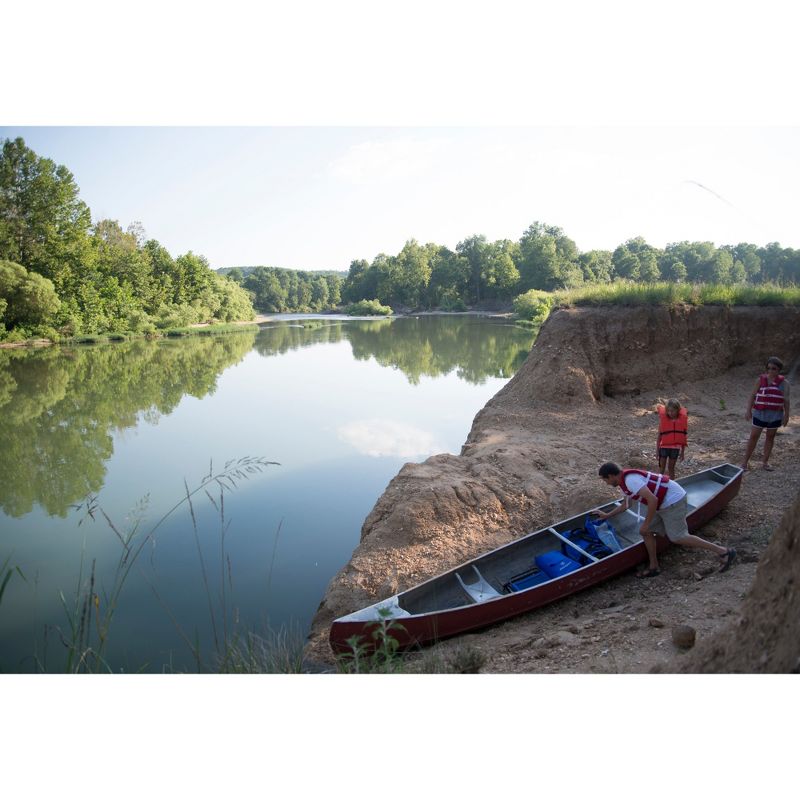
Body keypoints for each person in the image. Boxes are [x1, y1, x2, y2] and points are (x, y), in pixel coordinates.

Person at [594, 462, 736, 578]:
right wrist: (607, 515)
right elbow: (627, 505)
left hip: (674, 500)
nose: (606, 483)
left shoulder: (631, 480)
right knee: (645, 531)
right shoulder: (623, 483)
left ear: (611, 476)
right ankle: (654, 567)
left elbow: (652, 500)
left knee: (678, 536)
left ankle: (724, 551)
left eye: (605, 480)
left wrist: (646, 523)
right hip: (662, 503)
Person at [741, 356, 791, 471]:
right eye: (768, 368)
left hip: (775, 415)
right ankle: (744, 463)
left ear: (779, 370)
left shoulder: (785, 383)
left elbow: (786, 401)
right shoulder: (760, 380)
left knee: (770, 437)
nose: (770, 371)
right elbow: (752, 396)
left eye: (774, 368)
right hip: (760, 413)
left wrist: (786, 416)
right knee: (754, 436)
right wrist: (748, 410)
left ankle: (765, 462)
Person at [656, 398, 687, 478]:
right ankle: (659, 483)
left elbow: (683, 437)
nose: (670, 413)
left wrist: (682, 453)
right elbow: (659, 437)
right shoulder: (663, 421)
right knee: (661, 468)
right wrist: (657, 451)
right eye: (668, 411)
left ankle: (672, 483)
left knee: (671, 468)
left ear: (678, 410)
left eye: (672, 411)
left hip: (675, 449)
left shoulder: (682, 421)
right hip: (663, 448)